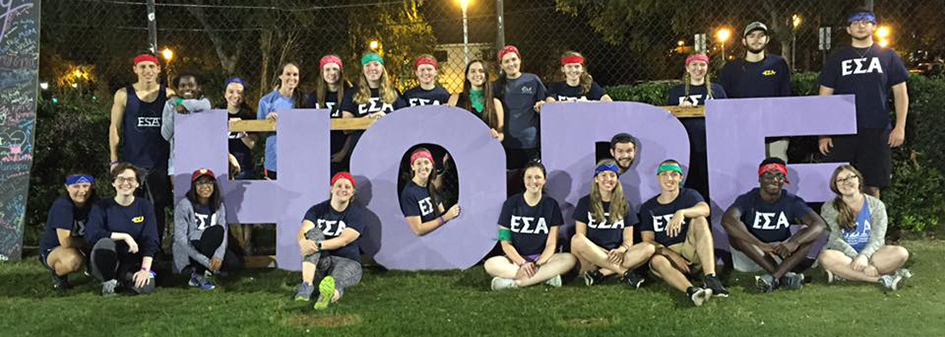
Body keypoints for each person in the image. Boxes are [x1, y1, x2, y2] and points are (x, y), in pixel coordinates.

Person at [818, 7, 910, 199]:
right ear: (848, 29)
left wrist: (900, 127)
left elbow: (900, 93)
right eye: (855, 22)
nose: (861, 25)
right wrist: (823, 132)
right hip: (842, 131)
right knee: (839, 185)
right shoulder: (837, 58)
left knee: (872, 185)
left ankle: (872, 227)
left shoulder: (888, 56)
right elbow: (824, 96)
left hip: (876, 129)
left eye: (866, 21)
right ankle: (843, 226)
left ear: (874, 26)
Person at [721, 158, 827, 293]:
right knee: (736, 232)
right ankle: (783, 276)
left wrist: (794, 242)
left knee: (810, 232)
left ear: (784, 180)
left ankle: (774, 277)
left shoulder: (792, 200)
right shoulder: (748, 198)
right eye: (768, 175)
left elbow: (820, 225)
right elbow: (727, 220)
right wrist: (760, 244)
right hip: (753, 252)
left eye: (779, 175)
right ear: (759, 178)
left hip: (781, 252)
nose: (775, 180)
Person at [639, 160, 727, 306]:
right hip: (667, 256)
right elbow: (647, 241)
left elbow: (705, 209)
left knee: (699, 219)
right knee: (656, 260)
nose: (669, 179)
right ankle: (692, 291)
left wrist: (682, 212)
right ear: (658, 177)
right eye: (665, 174)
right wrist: (670, 254)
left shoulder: (689, 195)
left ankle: (711, 278)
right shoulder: (648, 207)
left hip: (690, 250)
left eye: (674, 174)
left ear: (680, 178)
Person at [108, 52, 175, 246]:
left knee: (157, 207)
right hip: (132, 163)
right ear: (135, 69)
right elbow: (114, 128)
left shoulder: (169, 95)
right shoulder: (123, 95)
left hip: (159, 163)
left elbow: (184, 119)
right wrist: (114, 160)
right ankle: (132, 247)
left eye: (151, 66)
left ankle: (155, 247)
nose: (147, 71)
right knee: (131, 207)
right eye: (143, 67)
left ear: (158, 69)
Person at [486, 161, 577, 290]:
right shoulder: (510, 204)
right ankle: (545, 277)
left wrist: (537, 264)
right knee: (490, 264)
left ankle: (516, 283)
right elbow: (505, 243)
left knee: (569, 259)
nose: (533, 181)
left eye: (538, 177)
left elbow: (551, 244)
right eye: (528, 177)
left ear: (544, 180)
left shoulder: (551, 205)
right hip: (515, 260)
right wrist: (523, 263)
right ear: (523, 180)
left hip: (543, 260)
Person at [818, 165, 911, 291]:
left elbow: (878, 238)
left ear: (859, 180)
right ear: (835, 185)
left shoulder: (876, 205)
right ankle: (882, 279)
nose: (846, 182)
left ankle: (843, 274)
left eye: (850, 177)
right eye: (840, 180)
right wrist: (858, 259)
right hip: (843, 254)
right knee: (826, 257)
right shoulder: (829, 207)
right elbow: (835, 239)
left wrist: (865, 257)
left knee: (901, 253)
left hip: (873, 255)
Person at [570, 159, 654, 288]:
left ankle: (600, 274)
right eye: (603, 175)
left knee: (649, 248)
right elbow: (581, 239)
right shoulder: (585, 202)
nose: (608, 179)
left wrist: (620, 250)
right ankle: (625, 272)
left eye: (612, 175)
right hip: (591, 259)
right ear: (596, 179)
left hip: (617, 256)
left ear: (617, 180)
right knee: (576, 239)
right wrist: (607, 255)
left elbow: (628, 240)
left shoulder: (625, 204)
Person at [719, 21, 793, 162]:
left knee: (777, 173)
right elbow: (724, 103)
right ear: (744, 41)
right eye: (751, 36)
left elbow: (786, 98)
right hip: (743, 133)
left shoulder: (778, 64)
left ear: (767, 39)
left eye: (761, 35)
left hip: (774, 132)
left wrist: (784, 128)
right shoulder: (731, 68)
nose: (756, 39)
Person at [85, 163, 160, 297]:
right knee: (105, 243)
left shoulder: (145, 206)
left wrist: (144, 270)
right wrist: (124, 236)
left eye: (130, 179)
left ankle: (122, 280)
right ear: (113, 183)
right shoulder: (101, 206)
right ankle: (107, 282)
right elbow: (91, 234)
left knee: (146, 287)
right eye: (121, 179)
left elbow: (151, 239)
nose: (125, 183)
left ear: (137, 184)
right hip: (105, 258)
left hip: (132, 261)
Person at [294, 172, 367, 310]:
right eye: (339, 185)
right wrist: (303, 242)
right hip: (322, 260)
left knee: (337, 280)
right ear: (332, 189)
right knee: (313, 233)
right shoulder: (317, 209)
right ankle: (306, 285)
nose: (343, 189)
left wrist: (317, 245)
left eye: (347, 187)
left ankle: (328, 295)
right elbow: (304, 229)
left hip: (347, 260)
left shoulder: (356, 214)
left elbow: (344, 240)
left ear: (352, 192)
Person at [665, 53, 727, 200]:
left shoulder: (717, 90)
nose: (698, 68)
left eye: (702, 64)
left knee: (712, 184)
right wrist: (680, 110)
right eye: (694, 64)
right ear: (687, 68)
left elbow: (726, 117)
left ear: (707, 68)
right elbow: (668, 121)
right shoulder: (677, 92)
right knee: (690, 184)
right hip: (687, 146)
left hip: (712, 146)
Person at [173, 169, 240, 290]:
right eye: (200, 183)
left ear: (214, 185)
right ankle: (198, 275)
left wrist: (218, 256)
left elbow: (223, 233)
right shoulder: (184, 205)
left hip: (211, 245)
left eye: (209, 183)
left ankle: (207, 271)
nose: (205, 186)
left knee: (233, 263)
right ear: (194, 186)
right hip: (191, 248)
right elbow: (180, 238)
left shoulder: (218, 205)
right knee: (215, 231)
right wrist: (206, 262)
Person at [39, 172, 99, 291]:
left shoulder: (96, 202)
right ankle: (59, 275)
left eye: (85, 186)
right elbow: (65, 242)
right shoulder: (63, 206)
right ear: (67, 187)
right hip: (55, 248)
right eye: (76, 186)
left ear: (91, 186)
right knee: (74, 261)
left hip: (82, 243)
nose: (82, 191)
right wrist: (90, 244)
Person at [494, 45, 547, 172]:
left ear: (520, 60)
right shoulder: (497, 85)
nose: (511, 64)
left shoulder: (532, 80)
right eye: (506, 61)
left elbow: (546, 102)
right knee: (511, 184)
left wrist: (543, 103)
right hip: (507, 142)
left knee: (532, 180)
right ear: (501, 65)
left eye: (514, 59)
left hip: (531, 142)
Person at [304, 55, 354, 174]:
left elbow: (354, 129)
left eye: (335, 69)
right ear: (322, 72)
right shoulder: (314, 97)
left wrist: (343, 152)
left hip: (344, 151)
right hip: (320, 153)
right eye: (327, 69)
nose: (331, 73)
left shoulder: (350, 93)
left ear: (341, 72)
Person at [257, 62, 304, 180]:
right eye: (288, 74)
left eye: (295, 74)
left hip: (299, 159)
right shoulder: (266, 101)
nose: (292, 78)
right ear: (280, 76)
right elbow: (259, 134)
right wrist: (267, 123)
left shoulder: (304, 100)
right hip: (274, 160)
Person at [399, 148, 461, 236]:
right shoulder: (409, 193)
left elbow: (440, 211)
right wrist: (445, 217)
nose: (423, 167)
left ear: (432, 165)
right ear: (413, 166)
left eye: (426, 162)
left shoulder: (431, 187)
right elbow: (418, 229)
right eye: (418, 163)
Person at [161, 73, 211, 176]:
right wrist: (173, 113)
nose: (187, 88)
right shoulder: (170, 105)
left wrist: (179, 102)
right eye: (182, 86)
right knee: (179, 192)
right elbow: (166, 135)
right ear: (178, 89)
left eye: (191, 85)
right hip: (177, 160)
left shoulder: (204, 102)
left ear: (198, 87)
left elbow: (205, 106)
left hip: (202, 159)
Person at [448, 59, 504, 141]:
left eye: (481, 71)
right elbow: (449, 128)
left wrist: (496, 137)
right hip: (462, 148)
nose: (477, 74)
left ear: (486, 75)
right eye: (473, 71)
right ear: (467, 76)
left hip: (487, 147)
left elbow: (501, 133)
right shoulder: (455, 98)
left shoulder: (496, 103)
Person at [223, 77, 257, 180]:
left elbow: (252, 145)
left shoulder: (249, 115)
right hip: (222, 168)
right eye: (231, 91)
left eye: (239, 92)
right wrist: (230, 157)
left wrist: (241, 131)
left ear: (244, 96)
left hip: (244, 168)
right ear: (225, 94)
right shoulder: (217, 113)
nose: (235, 95)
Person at [545, 51, 612, 102]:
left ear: (582, 69)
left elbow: (607, 100)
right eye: (569, 66)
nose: (573, 70)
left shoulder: (591, 86)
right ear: (563, 69)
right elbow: (550, 103)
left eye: (577, 66)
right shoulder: (555, 87)